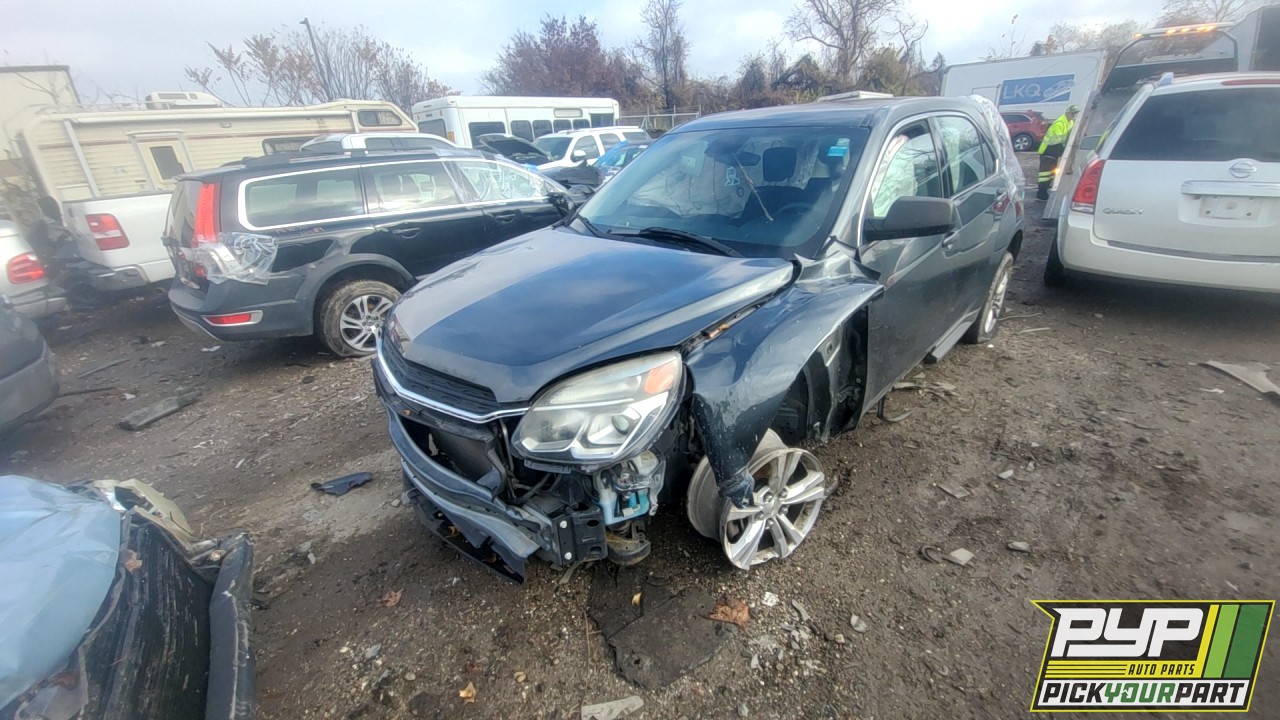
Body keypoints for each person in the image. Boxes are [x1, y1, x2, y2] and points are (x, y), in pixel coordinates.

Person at [1037, 105, 1080, 200]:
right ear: (1067, 112)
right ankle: (1041, 194)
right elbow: (1055, 140)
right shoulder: (1060, 123)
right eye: (1073, 113)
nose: (1074, 115)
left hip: (1054, 152)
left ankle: (1044, 190)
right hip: (1048, 151)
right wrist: (1063, 148)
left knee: (1050, 173)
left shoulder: (1070, 122)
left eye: (1076, 114)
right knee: (1044, 175)